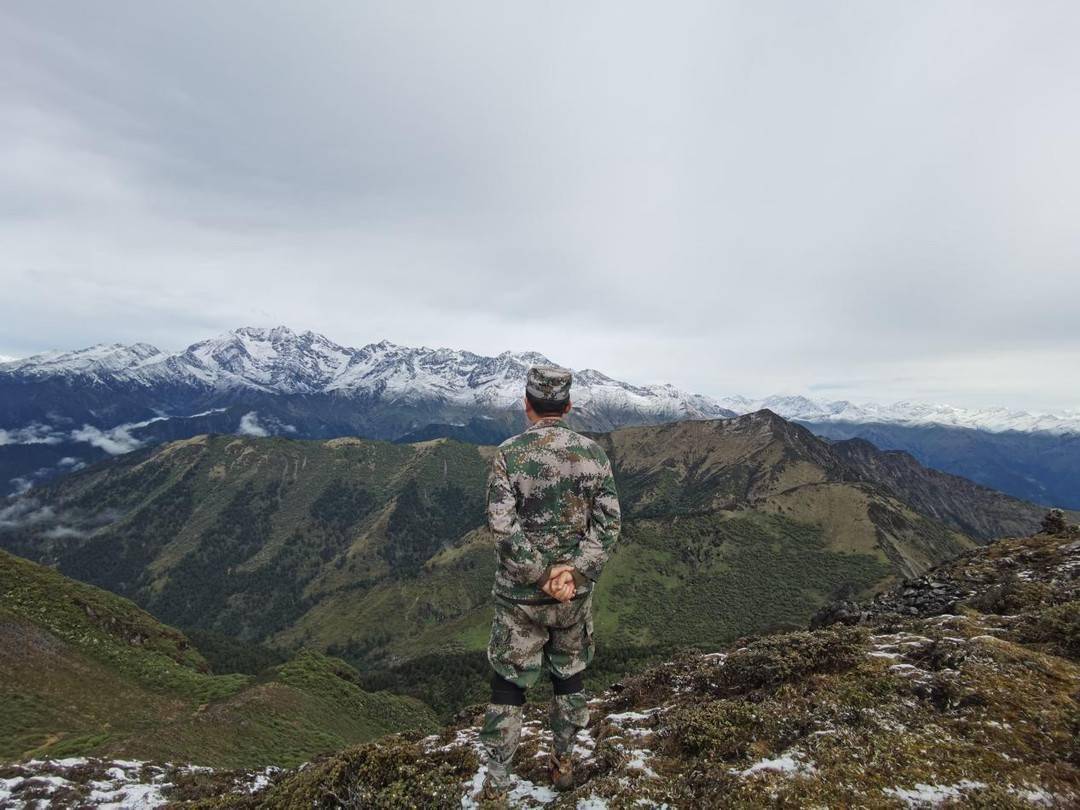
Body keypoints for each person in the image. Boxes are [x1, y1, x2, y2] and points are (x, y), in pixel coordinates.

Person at [477, 365, 622, 802]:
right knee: (569, 679)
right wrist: (571, 575)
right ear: (569, 405)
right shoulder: (594, 454)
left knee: (508, 684)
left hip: (521, 596)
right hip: (572, 597)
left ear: (527, 405)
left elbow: (502, 527)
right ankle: (563, 765)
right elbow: (609, 525)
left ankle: (499, 785)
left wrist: (539, 575)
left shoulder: (508, 454)